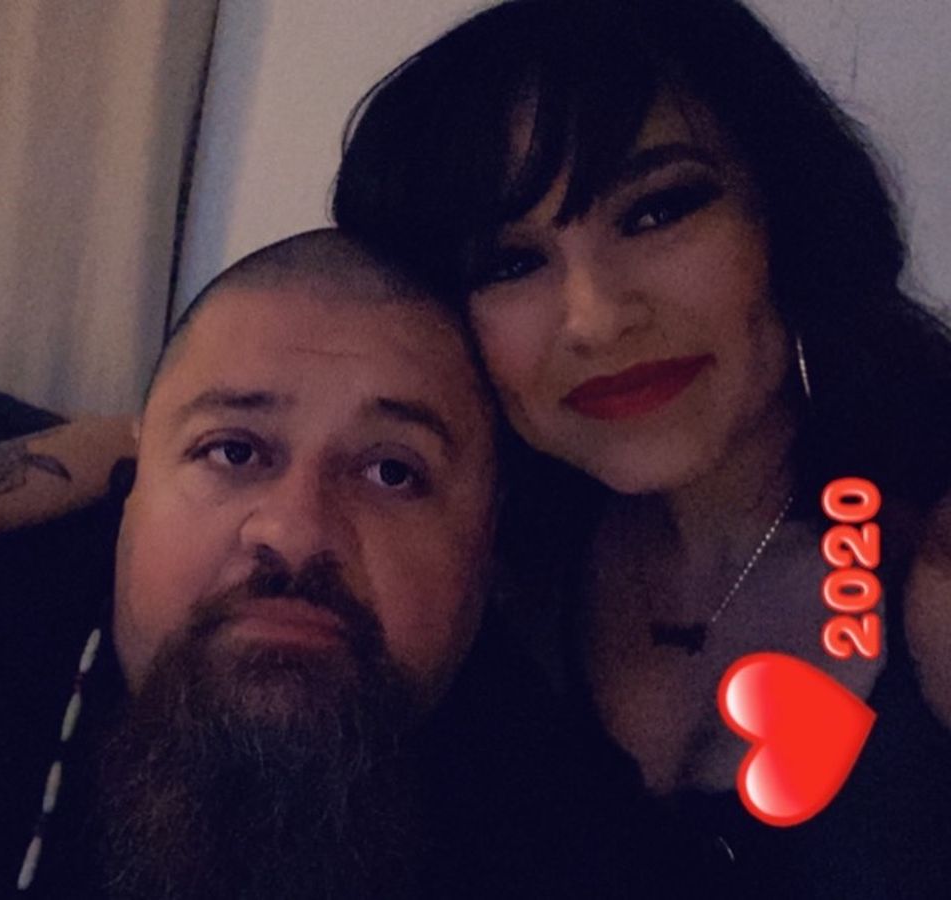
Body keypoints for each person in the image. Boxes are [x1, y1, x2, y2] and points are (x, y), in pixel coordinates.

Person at [0, 229, 683, 898]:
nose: (298, 530)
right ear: (128, 492)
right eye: (234, 449)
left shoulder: (571, 842)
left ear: (487, 540)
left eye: (393, 471)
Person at [331, 0, 951, 896]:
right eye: (509, 263)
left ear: (786, 217)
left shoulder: (932, 557)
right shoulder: (483, 579)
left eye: (658, 212)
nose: (595, 319)